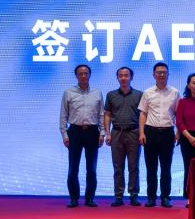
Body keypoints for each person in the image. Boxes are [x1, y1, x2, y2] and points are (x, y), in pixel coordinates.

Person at [60, 64, 104, 208]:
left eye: (86, 73)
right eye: (81, 73)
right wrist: (64, 134)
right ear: (76, 76)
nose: (83, 76)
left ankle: (90, 198)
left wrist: (102, 133)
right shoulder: (68, 92)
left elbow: (101, 114)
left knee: (91, 168)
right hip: (75, 132)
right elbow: (63, 115)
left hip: (92, 132)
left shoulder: (97, 92)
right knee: (73, 167)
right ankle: (74, 198)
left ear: (90, 75)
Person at [138, 62, 180, 208]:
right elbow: (143, 113)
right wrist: (141, 133)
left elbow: (178, 114)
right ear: (154, 75)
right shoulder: (147, 93)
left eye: (164, 72)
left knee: (166, 167)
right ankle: (151, 197)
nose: (161, 74)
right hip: (150, 132)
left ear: (168, 74)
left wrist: (178, 132)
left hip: (167, 133)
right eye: (158, 72)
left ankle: (165, 197)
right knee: (151, 167)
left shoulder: (175, 92)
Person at [103, 66, 142, 207]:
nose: (123, 78)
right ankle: (118, 196)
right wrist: (108, 133)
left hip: (134, 132)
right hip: (116, 133)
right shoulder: (111, 95)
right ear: (117, 78)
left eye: (126, 75)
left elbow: (142, 116)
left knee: (133, 166)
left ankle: (133, 195)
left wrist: (142, 133)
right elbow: (107, 114)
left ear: (131, 77)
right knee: (118, 166)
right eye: (121, 75)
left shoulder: (139, 95)